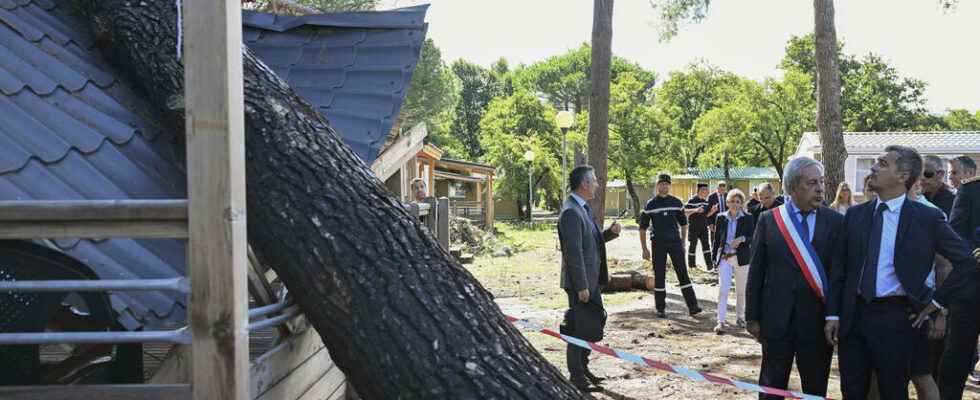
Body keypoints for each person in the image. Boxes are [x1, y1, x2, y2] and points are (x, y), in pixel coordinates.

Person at [824, 145, 976, 400]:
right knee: (852, 391)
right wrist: (833, 313)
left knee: (892, 390)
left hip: (897, 318)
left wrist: (936, 302)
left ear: (903, 176)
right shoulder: (855, 215)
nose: (873, 167)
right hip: (853, 317)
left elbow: (966, 263)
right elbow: (840, 269)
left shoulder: (927, 218)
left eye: (882, 163)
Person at [745, 156, 843, 399]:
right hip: (777, 321)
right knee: (771, 389)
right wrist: (752, 317)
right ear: (792, 187)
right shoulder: (769, 220)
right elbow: (756, 271)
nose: (820, 188)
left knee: (815, 388)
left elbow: (838, 275)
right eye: (811, 183)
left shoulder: (836, 222)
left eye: (821, 182)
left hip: (818, 324)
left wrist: (833, 315)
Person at [558, 165, 622, 392]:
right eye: (594, 181)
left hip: (591, 280)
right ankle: (576, 377)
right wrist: (582, 286)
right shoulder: (570, 212)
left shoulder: (583, 209)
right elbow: (573, 253)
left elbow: (590, 243)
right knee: (577, 329)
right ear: (584, 184)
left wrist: (610, 234)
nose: (597, 184)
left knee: (590, 326)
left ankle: (584, 369)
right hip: (580, 283)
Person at [937, 160, 980, 399]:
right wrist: (972, 253)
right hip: (970, 290)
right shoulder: (971, 190)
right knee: (956, 362)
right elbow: (954, 235)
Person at [640, 174, 702, 318]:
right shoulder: (650, 205)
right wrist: (644, 248)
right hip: (658, 244)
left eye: (667, 184)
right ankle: (660, 308)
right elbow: (642, 228)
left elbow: (684, 223)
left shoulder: (676, 202)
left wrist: (683, 241)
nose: (664, 186)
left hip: (675, 243)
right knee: (660, 276)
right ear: (657, 185)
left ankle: (693, 306)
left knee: (683, 274)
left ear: (670, 185)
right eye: (661, 184)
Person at [712, 189, 754, 334]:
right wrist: (714, 259)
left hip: (742, 259)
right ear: (728, 202)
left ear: (742, 203)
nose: (735, 204)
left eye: (738, 202)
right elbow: (716, 240)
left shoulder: (748, 218)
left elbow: (753, 238)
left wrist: (742, 239)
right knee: (723, 289)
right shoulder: (721, 217)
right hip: (725, 257)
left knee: (741, 291)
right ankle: (721, 321)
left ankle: (740, 318)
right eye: (732, 201)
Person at [685, 183, 713, 271]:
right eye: (705, 190)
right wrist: (695, 210)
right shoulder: (692, 200)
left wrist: (712, 211)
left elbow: (706, 215)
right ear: (700, 190)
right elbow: (684, 211)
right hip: (693, 227)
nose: (707, 191)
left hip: (704, 227)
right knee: (693, 245)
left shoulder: (706, 202)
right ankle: (692, 266)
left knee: (706, 246)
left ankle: (709, 265)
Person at [707, 181, 729, 254]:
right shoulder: (711, 197)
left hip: (727, 222)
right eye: (721, 189)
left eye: (724, 189)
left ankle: (724, 258)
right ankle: (714, 259)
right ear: (717, 188)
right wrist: (710, 224)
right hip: (714, 223)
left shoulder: (728, 196)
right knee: (714, 242)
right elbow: (708, 212)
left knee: (726, 241)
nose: (723, 191)